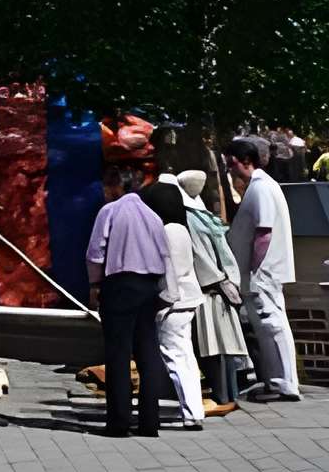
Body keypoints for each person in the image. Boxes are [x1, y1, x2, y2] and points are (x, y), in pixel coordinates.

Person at [85, 168, 172, 438]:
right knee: (148, 352)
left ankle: (119, 421)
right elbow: (165, 253)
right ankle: (150, 421)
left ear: (114, 187)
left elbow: (95, 252)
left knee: (118, 353)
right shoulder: (153, 216)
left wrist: (94, 284)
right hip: (149, 286)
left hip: (120, 283)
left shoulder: (110, 211)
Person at [226, 136, 304, 400]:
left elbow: (264, 232)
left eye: (232, 163)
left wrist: (253, 268)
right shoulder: (260, 186)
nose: (230, 169)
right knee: (266, 326)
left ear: (246, 161)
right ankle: (276, 381)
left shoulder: (261, 188)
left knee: (271, 325)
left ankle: (284, 384)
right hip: (259, 272)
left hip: (262, 272)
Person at [141, 165, 207, 430]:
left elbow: (169, 275)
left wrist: (159, 304)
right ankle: (195, 409)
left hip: (173, 303)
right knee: (186, 356)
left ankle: (191, 413)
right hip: (188, 299)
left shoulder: (166, 231)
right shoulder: (181, 228)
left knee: (175, 356)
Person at [179, 170, 249, 409]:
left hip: (210, 290)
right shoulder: (204, 216)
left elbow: (200, 256)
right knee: (223, 346)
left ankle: (223, 395)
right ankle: (229, 394)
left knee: (214, 346)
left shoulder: (190, 219)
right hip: (222, 286)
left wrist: (217, 280)